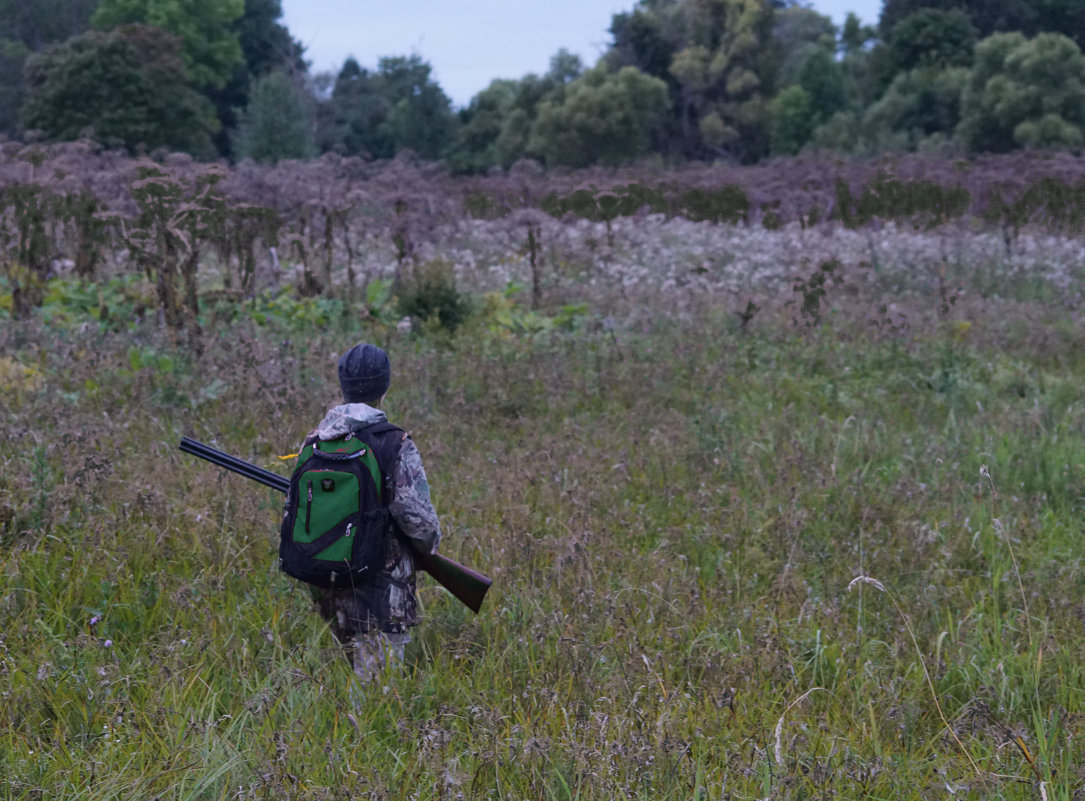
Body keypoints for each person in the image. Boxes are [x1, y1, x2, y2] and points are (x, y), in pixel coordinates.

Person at [300, 342, 442, 681]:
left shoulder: (314, 442)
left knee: (353, 676)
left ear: (342, 384)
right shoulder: (395, 443)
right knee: (377, 698)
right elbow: (419, 523)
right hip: (382, 587)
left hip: (326, 580)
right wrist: (429, 551)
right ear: (385, 386)